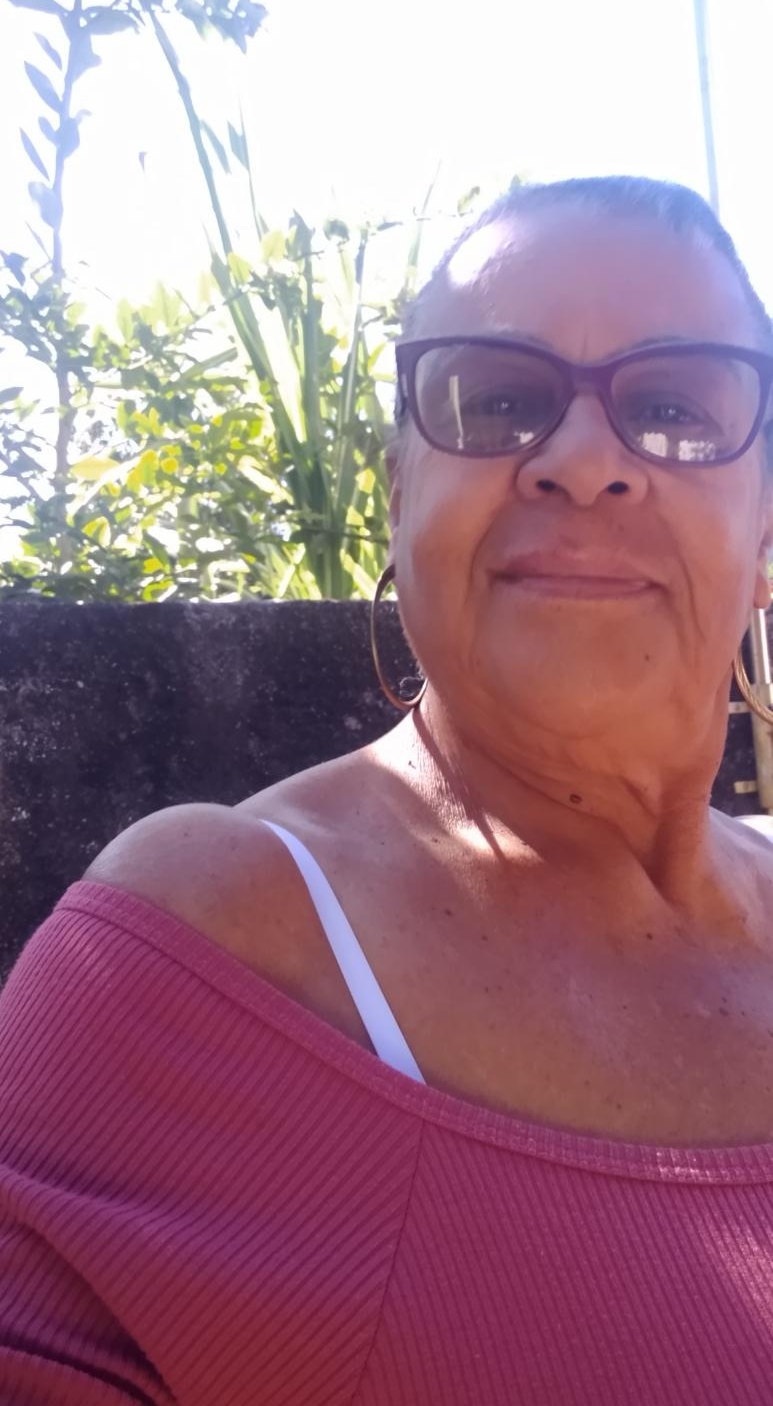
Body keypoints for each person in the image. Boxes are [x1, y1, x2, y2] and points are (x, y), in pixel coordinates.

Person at [3, 176, 773, 1406]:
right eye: (497, 401)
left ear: (764, 525)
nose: (582, 462)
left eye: (675, 408)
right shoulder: (199, 950)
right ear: (399, 489)